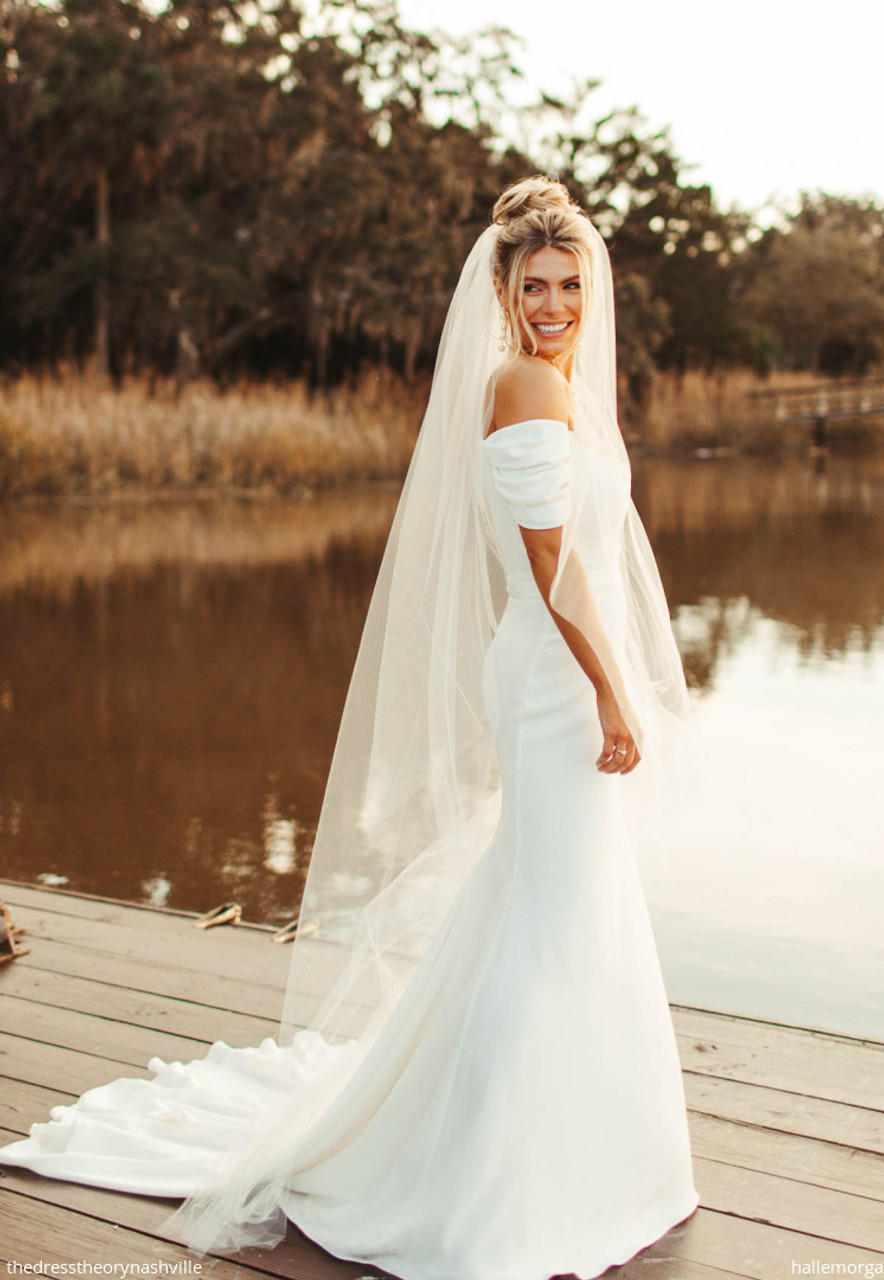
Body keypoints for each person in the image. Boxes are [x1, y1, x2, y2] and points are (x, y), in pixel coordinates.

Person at [0, 176, 699, 1279]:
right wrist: (614, 690)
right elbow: (553, 564)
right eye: (537, 285)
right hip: (558, 670)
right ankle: (503, 1170)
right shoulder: (522, 379)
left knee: (555, 896)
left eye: (570, 284)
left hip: (565, 662)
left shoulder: (557, 379)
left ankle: (587, 1148)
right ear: (505, 292)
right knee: (553, 904)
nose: (556, 302)